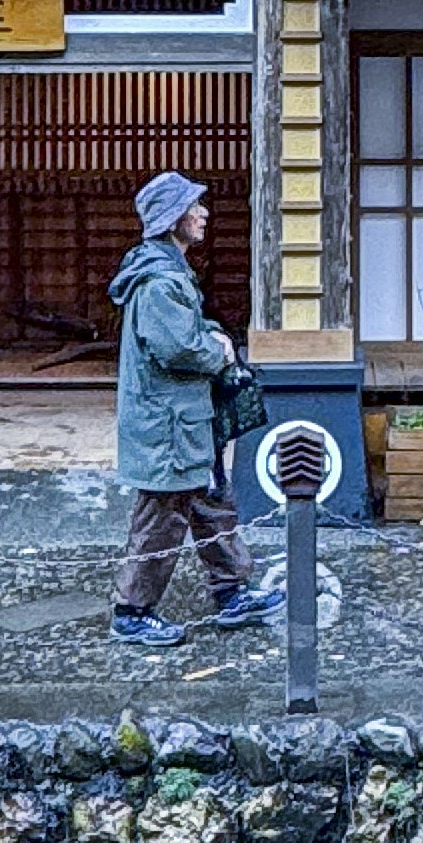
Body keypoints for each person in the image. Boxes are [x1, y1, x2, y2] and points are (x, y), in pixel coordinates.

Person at [104, 169, 278, 651]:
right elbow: (176, 347)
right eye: (194, 207)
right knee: (161, 517)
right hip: (168, 426)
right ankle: (132, 611)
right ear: (174, 219)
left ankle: (232, 592)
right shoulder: (159, 283)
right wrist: (218, 349)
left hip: (184, 422)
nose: (203, 214)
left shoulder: (168, 273)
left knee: (209, 504)